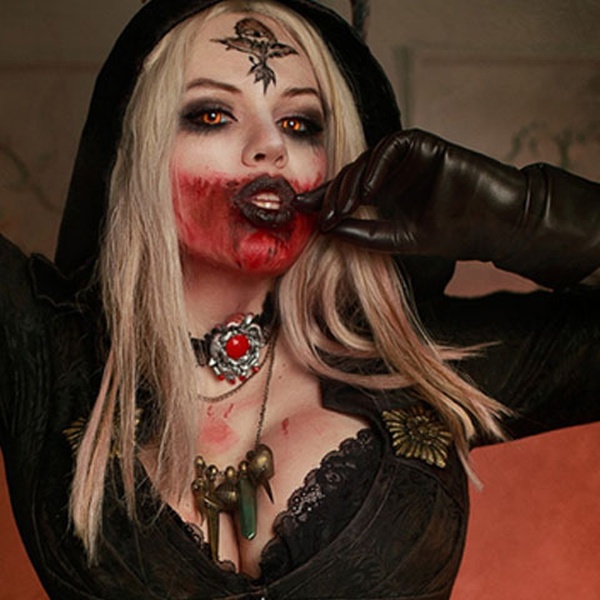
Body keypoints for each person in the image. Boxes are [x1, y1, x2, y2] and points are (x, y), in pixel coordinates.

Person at [1, 0, 598, 598]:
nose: (271, 147)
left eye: (299, 124)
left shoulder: (414, 357)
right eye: (212, 115)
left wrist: (523, 216)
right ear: (139, 151)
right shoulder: (43, 351)